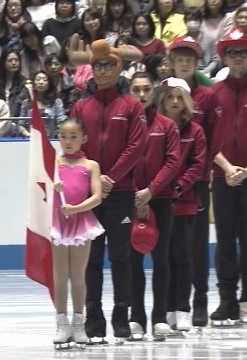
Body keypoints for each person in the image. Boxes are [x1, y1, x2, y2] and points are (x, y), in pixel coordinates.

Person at [69, 39, 147, 344]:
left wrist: (111, 178)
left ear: (117, 68)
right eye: (97, 65)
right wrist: (91, 180)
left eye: (107, 65)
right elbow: (74, 147)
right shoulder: (80, 106)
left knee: (120, 256)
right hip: (90, 195)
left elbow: (136, 146)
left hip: (121, 192)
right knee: (91, 258)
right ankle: (94, 317)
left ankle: (121, 315)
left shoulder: (131, 105)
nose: (101, 71)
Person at [127, 72, 180, 339]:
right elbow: (119, 159)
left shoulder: (167, 125)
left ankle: (159, 317)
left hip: (160, 198)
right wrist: (136, 193)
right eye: (137, 89)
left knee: (161, 259)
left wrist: (150, 191)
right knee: (133, 260)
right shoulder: (124, 125)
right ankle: (136, 317)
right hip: (130, 199)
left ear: (154, 92)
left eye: (147, 89)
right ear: (130, 92)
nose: (142, 94)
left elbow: (173, 162)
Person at [156, 78, 206, 332]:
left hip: (184, 201)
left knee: (183, 255)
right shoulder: (156, 128)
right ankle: (167, 308)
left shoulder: (194, 130)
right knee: (164, 257)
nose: (174, 102)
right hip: (161, 201)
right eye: (169, 97)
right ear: (162, 100)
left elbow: (198, 164)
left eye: (179, 97)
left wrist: (178, 186)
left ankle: (183, 308)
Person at [50, 117, 104, 348]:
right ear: (58, 137)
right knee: (61, 275)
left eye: (73, 137)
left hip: (81, 223)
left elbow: (97, 196)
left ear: (84, 138)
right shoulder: (52, 163)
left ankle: (79, 323)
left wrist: (75, 209)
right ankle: (62, 323)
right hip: (58, 223)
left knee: (78, 275)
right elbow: (40, 189)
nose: (68, 141)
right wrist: (53, 186)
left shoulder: (90, 165)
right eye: (63, 136)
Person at [209, 27, 247, 325]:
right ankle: (227, 300)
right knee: (224, 241)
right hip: (223, 179)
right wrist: (226, 168)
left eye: (243, 52)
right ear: (224, 56)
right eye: (232, 53)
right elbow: (206, 139)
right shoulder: (213, 94)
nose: (238, 58)